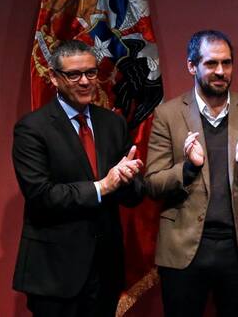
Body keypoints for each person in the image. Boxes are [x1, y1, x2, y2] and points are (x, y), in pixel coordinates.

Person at [144, 30, 238, 317]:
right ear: (192, 66)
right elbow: (152, 183)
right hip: (183, 247)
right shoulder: (168, 115)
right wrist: (189, 168)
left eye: (226, 63)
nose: (220, 71)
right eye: (211, 63)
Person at [12, 39, 144, 317]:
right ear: (54, 77)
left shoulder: (113, 123)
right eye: (73, 75)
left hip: (105, 270)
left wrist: (129, 178)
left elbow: (132, 196)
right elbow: (41, 196)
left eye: (91, 73)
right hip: (55, 272)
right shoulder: (32, 128)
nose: (85, 82)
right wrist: (102, 186)